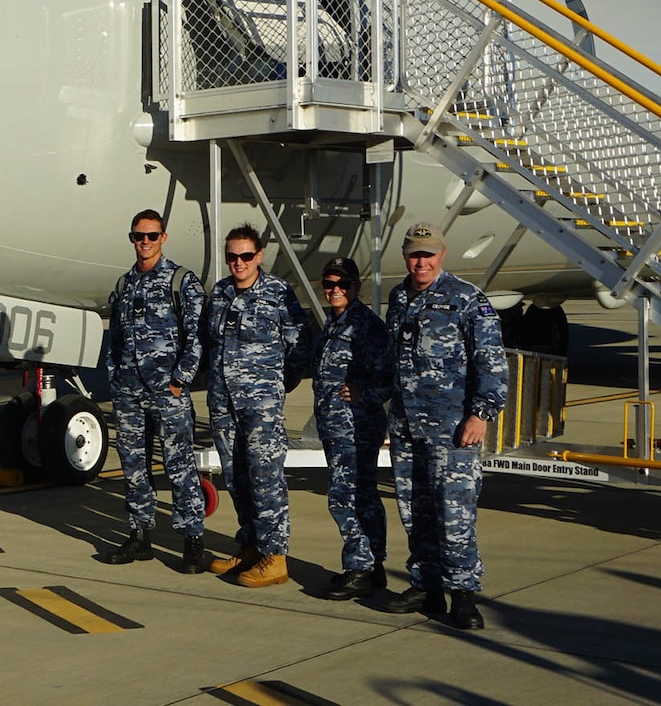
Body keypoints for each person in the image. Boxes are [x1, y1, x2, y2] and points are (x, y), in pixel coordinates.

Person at [380, 222, 506, 630]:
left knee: (455, 514)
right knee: (415, 510)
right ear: (405, 256)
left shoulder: (467, 299)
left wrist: (481, 414)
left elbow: (492, 362)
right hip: (406, 427)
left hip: (452, 429)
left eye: (428, 254)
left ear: (442, 254)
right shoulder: (399, 298)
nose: (422, 261)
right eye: (415, 254)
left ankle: (464, 594)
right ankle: (426, 584)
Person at [99, 210, 209, 573]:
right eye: (138, 236)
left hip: (167, 391)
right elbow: (114, 335)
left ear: (163, 237)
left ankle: (192, 540)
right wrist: (115, 378)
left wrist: (180, 380)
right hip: (129, 390)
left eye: (151, 235)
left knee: (179, 467)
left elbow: (196, 337)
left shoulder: (181, 281)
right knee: (134, 467)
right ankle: (139, 534)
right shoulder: (125, 284)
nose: (144, 242)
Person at [201, 224, 304, 588]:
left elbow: (298, 344)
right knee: (236, 476)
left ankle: (275, 556)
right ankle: (251, 547)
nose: (238, 263)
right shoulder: (220, 293)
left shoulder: (277, 293)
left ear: (259, 256)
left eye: (246, 256)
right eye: (232, 257)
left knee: (265, 476)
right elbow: (209, 342)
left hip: (260, 403)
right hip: (224, 401)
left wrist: (275, 385)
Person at [295, 257, 392, 600]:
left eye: (343, 284)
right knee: (360, 494)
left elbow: (388, 379)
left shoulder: (365, 326)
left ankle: (360, 568)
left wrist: (365, 393)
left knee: (346, 496)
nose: (335, 290)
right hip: (336, 426)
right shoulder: (335, 323)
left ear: (356, 287)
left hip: (356, 425)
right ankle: (370, 565)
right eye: (329, 284)